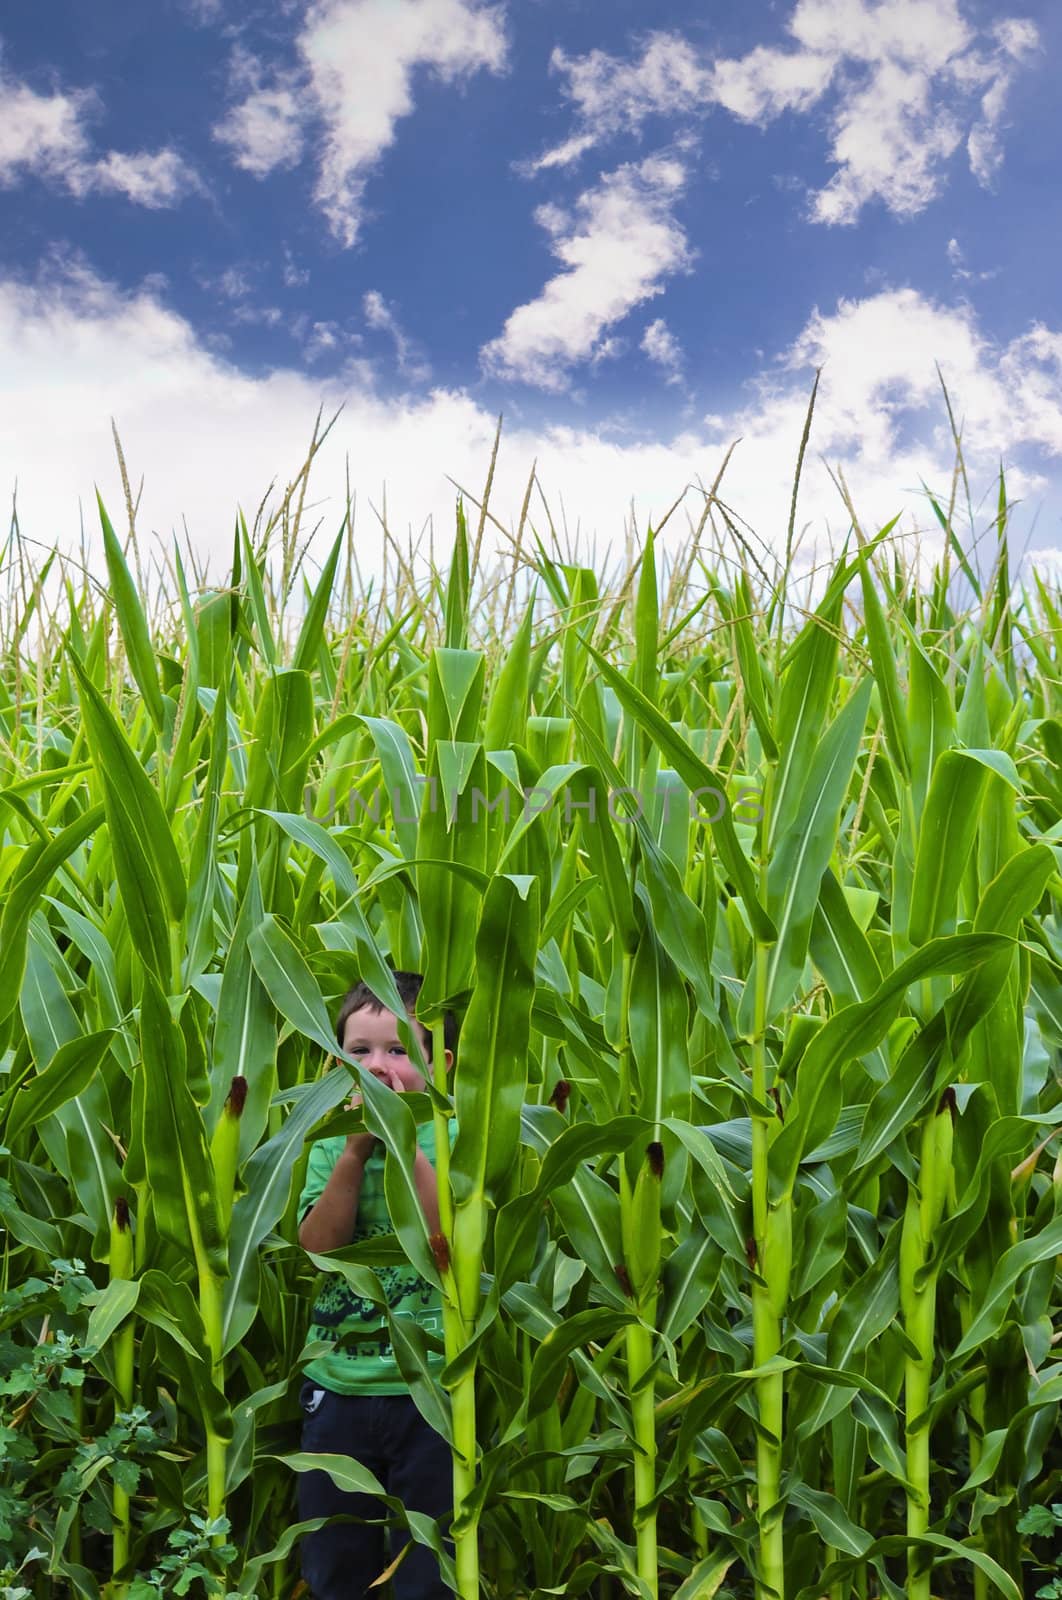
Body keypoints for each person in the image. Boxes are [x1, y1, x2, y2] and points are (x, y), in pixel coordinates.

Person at [296, 971, 458, 1600]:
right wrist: (354, 1154)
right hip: (337, 1391)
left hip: (434, 1397)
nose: (379, 1067)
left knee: (430, 1572)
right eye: (359, 1052)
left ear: (439, 1065)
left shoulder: (451, 1137)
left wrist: (404, 1137)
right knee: (338, 1566)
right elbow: (319, 1249)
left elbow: (441, 1242)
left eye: (398, 1051)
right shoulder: (331, 1141)